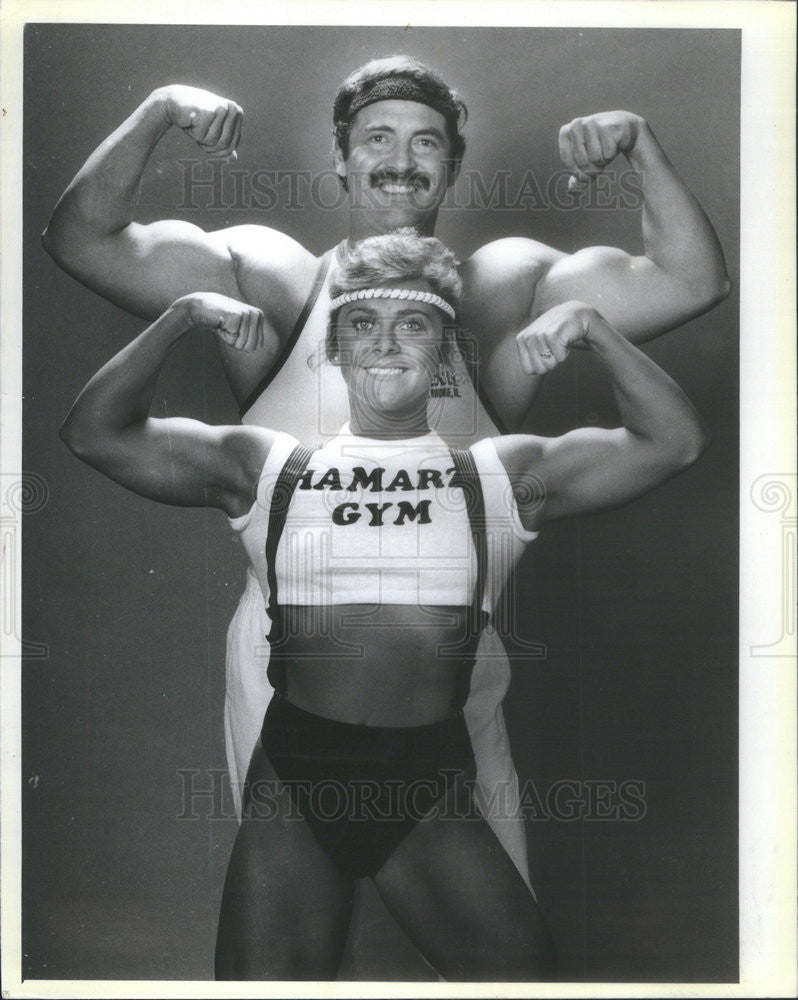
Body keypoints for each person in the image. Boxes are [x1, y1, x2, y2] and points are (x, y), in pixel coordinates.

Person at [42, 55, 729, 970]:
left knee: (489, 940)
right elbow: (83, 239)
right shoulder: (279, 283)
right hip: (292, 661)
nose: (401, 161)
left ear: (452, 165)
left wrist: (640, 146)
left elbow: (690, 283)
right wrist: (160, 109)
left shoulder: (498, 291)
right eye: (377, 140)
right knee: (296, 937)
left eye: (426, 144)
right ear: (338, 158)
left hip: (457, 649)